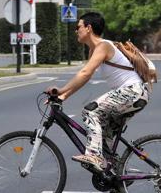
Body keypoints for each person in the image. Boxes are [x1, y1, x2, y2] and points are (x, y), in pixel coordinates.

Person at [47, 12, 151, 172]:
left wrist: (61, 89)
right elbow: (85, 77)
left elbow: (85, 73)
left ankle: (94, 155)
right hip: (135, 95)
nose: (76, 31)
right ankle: (115, 175)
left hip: (132, 92)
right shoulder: (94, 49)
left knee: (90, 112)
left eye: (78, 27)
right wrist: (63, 96)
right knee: (104, 135)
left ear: (88, 28)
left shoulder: (104, 46)